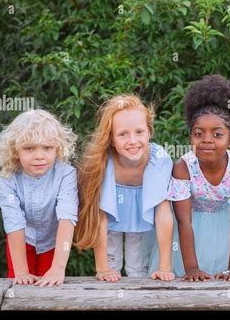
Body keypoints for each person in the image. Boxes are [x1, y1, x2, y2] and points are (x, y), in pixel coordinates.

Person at [149, 75, 230, 281]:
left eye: (217, 135)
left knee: (227, 284)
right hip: (190, 229)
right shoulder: (183, 167)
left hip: (227, 227)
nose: (207, 139)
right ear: (191, 136)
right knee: (188, 283)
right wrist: (191, 268)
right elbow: (183, 221)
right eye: (199, 134)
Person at [75, 95, 175, 282]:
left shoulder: (159, 159)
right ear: (111, 138)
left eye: (139, 132)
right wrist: (102, 268)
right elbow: (101, 215)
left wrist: (165, 266)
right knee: (111, 268)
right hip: (109, 222)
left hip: (142, 222)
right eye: (123, 134)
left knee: (138, 268)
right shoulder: (103, 162)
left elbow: (163, 212)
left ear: (149, 132)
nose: (132, 140)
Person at [0, 109, 78, 286]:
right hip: (22, 239)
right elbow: (13, 221)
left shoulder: (66, 174)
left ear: (58, 148)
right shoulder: (8, 176)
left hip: (53, 241)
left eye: (47, 148)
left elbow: (67, 217)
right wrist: (21, 271)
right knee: (20, 285)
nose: (39, 156)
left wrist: (58, 268)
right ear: (15, 151)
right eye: (29, 148)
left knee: (50, 286)